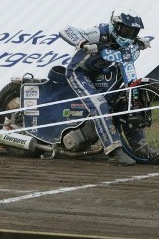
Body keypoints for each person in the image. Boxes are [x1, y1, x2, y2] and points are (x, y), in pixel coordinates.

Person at [59, 9, 151, 166]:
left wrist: (140, 41)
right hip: (79, 72)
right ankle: (114, 151)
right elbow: (65, 30)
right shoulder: (99, 32)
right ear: (115, 26)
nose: (129, 35)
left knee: (123, 101)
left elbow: (131, 40)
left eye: (133, 32)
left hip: (100, 73)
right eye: (126, 30)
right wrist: (84, 43)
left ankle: (140, 147)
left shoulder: (129, 39)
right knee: (99, 105)